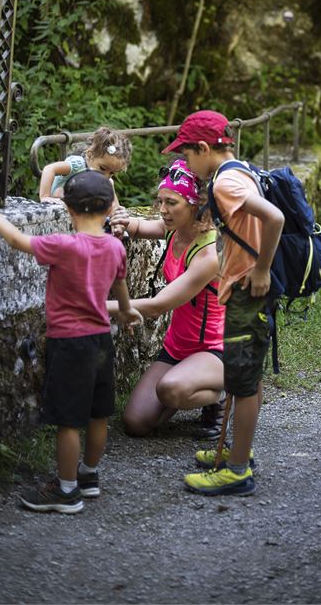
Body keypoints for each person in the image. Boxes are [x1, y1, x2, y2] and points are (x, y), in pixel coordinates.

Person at [0, 171, 143, 514]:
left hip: (69, 344)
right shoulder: (114, 246)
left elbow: (20, 241)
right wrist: (126, 312)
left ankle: (66, 491)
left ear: (68, 209)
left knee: (68, 421)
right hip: (100, 341)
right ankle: (89, 477)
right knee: (98, 415)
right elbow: (120, 286)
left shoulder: (63, 246)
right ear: (110, 207)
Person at [158, 110, 285, 497]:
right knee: (248, 377)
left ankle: (236, 471)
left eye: (188, 154)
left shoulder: (225, 182)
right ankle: (237, 450)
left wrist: (261, 269)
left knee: (243, 383)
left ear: (202, 147)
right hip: (250, 288)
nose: (188, 164)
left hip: (248, 288)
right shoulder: (241, 170)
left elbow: (274, 217)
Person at [108, 158, 226, 436]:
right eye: (160, 201)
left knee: (171, 390)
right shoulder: (174, 228)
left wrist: (94, 307)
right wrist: (122, 222)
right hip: (178, 347)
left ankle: (222, 394)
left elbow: (158, 305)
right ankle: (186, 382)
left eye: (171, 203)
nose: (162, 210)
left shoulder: (209, 254)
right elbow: (138, 227)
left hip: (217, 349)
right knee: (136, 423)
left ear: (195, 205)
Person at [39, 126, 132, 207]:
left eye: (111, 173)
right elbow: (49, 169)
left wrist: (117, 211)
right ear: (90, 154)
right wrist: (45, 196)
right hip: (58, 201)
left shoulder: (104, 178)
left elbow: (113, 203)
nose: (106, 175)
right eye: (102, 168)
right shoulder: (77, 165)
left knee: (109, 183)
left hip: (81, 207)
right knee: (59, 192)